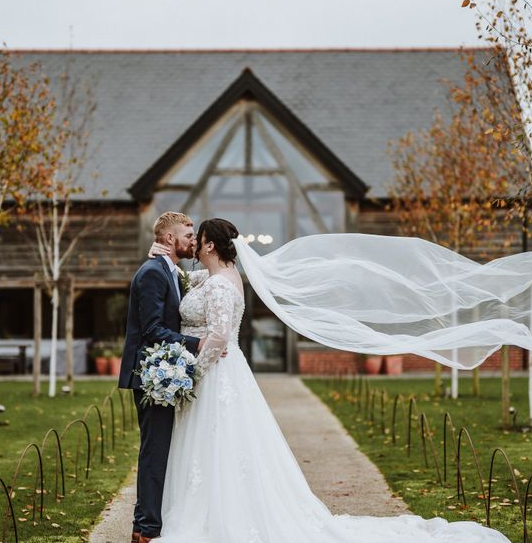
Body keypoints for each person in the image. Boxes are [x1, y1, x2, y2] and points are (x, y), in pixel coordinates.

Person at [145, 217, 512, 542]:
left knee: (219, 443)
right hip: (222, 372)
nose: (192, 244)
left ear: (209, 244)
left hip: (216, 371)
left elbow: (221, 337)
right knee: (214, 446)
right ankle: (210, 509)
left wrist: (192, 372)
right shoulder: (215, 277)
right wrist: (162, 256)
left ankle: (217, 518)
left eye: (197, 238)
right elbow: (181, 279)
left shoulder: (222, 285)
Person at [118, 211, 208, 543]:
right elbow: (153, 329)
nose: (193, 240)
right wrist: (198, 343)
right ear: (169, 239)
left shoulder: (172, 271)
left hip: (163, 371)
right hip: (151, 375)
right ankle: (144, 529)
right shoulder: (153, 273)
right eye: (188, 235)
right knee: (154, 450)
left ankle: (150, 523)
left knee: (162, 450)